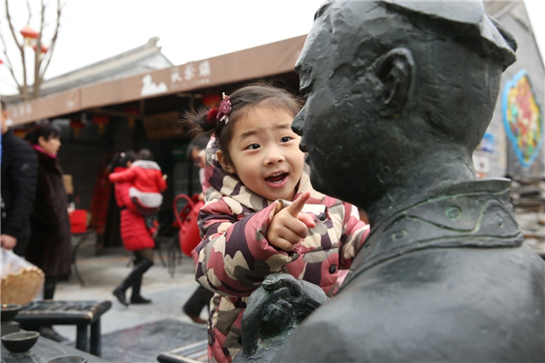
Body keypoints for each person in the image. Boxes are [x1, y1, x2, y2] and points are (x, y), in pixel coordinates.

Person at [264, 1, 545, 362]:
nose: (299, 122)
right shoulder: (533, 269)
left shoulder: (342, 339)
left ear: (390, 82)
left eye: (311, 86)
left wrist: (280, 352)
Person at [183, 84, 370, 362]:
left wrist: (386, 240)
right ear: (228, 161)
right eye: (253, 146)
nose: (273, 156)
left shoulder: (330, 199)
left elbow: (356, 242)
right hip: (247, 348)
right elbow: (210, 267)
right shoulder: (223, 209)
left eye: (285, 138)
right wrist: (263, 237)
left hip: (320, 338)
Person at [25, 122, 72, 342]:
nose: (58, 143)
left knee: (49, 279)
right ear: (41, 140)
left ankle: (45, 323)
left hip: (52, 233)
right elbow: (42, 200)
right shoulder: (36, 162)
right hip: (43, 235)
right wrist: (54, 222)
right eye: (54, 138)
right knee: (42, 280)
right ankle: (41, 324)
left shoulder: (49, 162)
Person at [109, 150, 159, 306]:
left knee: (139, 260)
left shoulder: (127, 176)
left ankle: (135, 295)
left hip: (136, 220)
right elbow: (131, 202)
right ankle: (121, 288)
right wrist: (150, 206)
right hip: (133, 221)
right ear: (130, 163)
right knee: (148, 259)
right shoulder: (124, 180)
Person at [181, 135, 214, 324]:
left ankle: (194, 308)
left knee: (213, 270)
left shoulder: (213, 158)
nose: (198, 163)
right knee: (214, 270)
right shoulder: (206, 165)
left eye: (198, 157)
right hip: (214, 220)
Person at [0, 100, 38, 256]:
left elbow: (24, 193)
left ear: (5, 115)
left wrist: (12, 231)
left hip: (7, 234)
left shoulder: (19, 150)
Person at [109, 148, 166, 236]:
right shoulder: (157, 171)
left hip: (141, 199)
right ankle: (153, 226)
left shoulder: (136, 169)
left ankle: (152, 227)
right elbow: (163, 186)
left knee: (144, 212)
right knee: (151, 214)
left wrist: (112, 176)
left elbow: (124, 176)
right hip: (155, 200)